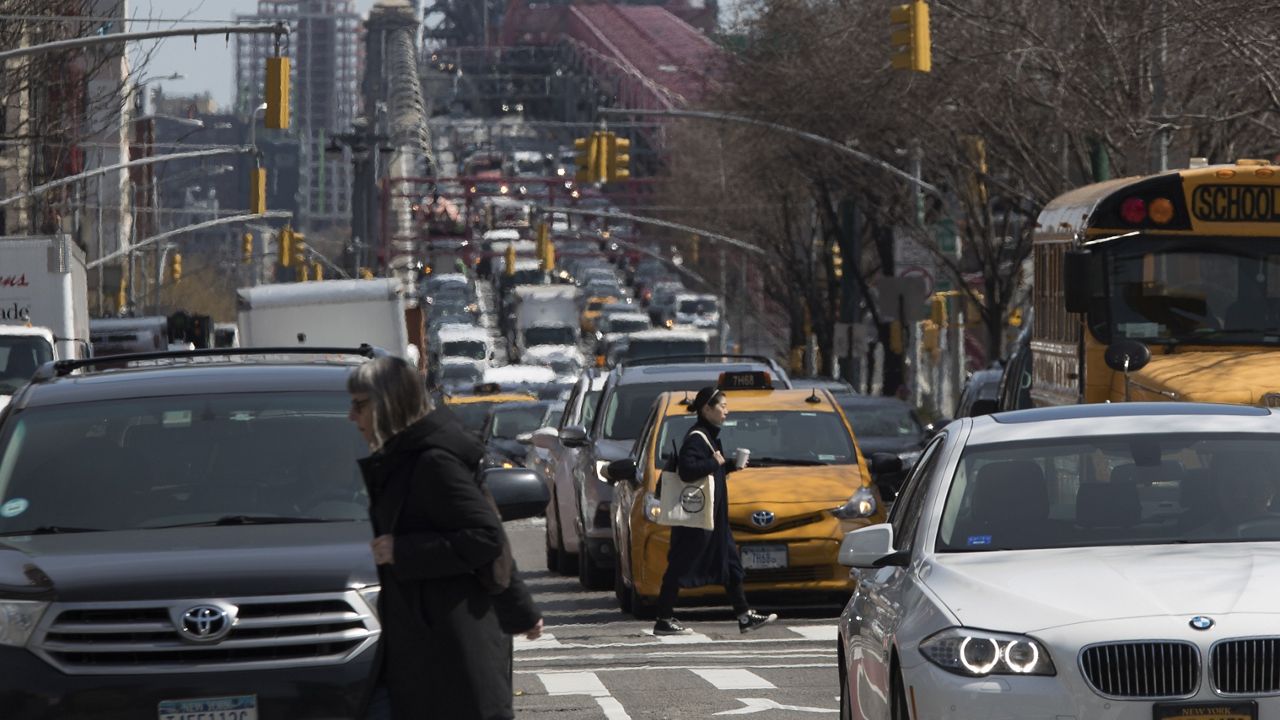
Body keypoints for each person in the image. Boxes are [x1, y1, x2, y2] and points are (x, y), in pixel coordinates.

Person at [348, 356, 541, 719]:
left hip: (449, 652)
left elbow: (485, 536)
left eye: (360, 405)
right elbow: (491, 527)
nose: (351, 417)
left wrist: (401, 551)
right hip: (427, 648)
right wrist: (522, 612)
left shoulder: (432, 463)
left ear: (390, 405)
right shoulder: (407, 459)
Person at [652, 386, 778, 636]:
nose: (726, 412)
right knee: (679, 565)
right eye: (722, 407)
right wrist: (716, 462)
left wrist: (729, 466)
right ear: (706, 409)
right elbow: (688, 470)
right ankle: (663, 619)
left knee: (731, 564)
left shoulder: (707, 436)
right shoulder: (697, 437)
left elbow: (708, 471)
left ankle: (744, 617)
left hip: (713, 519)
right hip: (696, 520)